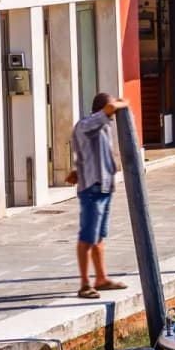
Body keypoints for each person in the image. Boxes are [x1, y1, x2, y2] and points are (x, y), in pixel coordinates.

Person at [72, 92, 128, 299]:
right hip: (92, 189)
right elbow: (108, 111)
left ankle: (101, 278)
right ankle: (85, 284)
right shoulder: (87, 124)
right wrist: (122, 103)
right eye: (112, 109)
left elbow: (88, 155)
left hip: (104, 187)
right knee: (87, 237)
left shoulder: (104, 127)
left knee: (98, 237)